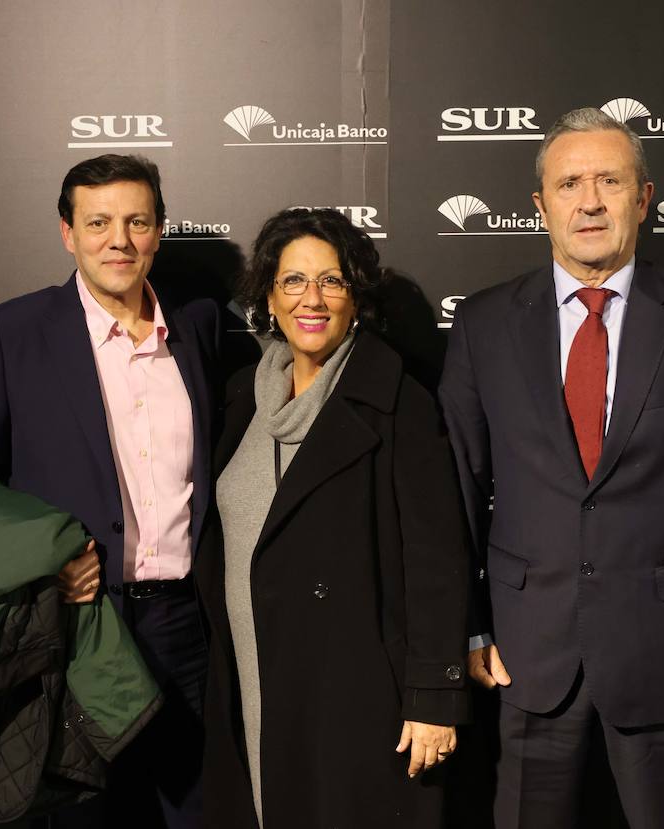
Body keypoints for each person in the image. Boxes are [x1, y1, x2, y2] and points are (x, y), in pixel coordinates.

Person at [438, 108, 664, 829]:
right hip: (528, 655)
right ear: (540, 206)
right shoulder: (483, 324)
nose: (589, 200)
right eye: (569, 183)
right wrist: (466, 627)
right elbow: (455, 496)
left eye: (609, 180)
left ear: (643, 196)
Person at [0, 154, 219, 829]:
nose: (118, 239)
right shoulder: (11, 332)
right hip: (77, 630)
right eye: (98, 222)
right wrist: (44, 559)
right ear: (68, 232)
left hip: (185, 627)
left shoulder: (199, 325)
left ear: (158, 231)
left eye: (136, 221)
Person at [196, 208, 471, 829]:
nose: (311, 299)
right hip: (249, 673)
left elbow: (438, 561)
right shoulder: (242, 395)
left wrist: (435, 697)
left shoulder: (398, 400)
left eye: (333, 281)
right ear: (268, 294)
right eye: (293, 281)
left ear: (357, 295)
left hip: (353, 686)